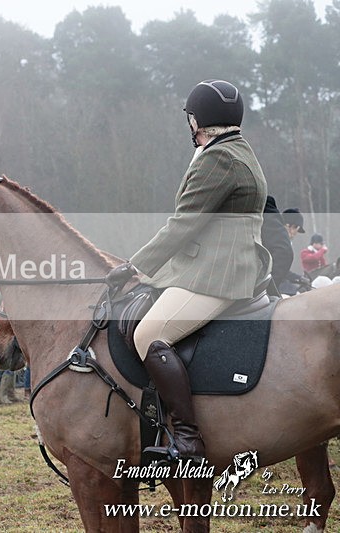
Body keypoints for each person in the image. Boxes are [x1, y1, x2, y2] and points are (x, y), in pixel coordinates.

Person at [105, 80, 270, 462]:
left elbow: (183, 224)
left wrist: (135, 266)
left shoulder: (218, 159)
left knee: (149, 333)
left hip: (219, 273)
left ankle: (187, 438)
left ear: (196, 121)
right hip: (224, 263)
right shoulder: (239, 150)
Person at [278, 208, 311, 295]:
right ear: (289, 226)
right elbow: (277, 272)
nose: (295, 234)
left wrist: (299, 278)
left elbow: (284, 271)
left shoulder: (283, 242)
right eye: (296, 229)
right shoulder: (277, 243)